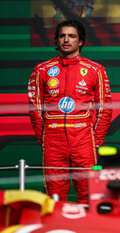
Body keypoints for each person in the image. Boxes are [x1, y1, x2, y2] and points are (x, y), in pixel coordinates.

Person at [28, 19, 112, 204]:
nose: (66, 40)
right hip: (53, 141)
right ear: (57, 40)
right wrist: (44, 137)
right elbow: (35, 109)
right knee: (54, 195)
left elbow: (105, 109)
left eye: (71, 36)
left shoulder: (95, 70)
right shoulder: (42, 70)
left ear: (80, 41)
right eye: (62, 36)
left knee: (89, 192)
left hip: (84, 141)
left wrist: (94, 140)